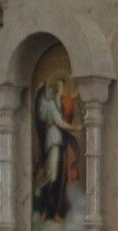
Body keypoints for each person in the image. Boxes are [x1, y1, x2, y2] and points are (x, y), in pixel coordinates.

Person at [33, 78, 82, 222]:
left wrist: (79, 91)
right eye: (56, 87)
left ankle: (55, 213)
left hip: (59, 143)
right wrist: (76, 128)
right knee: (53, 177)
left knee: (60, 178)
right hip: (54, 142)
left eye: (60, 87)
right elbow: (60, 122)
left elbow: (69, 98)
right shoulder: (49, 104)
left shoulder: (56, 102)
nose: (57, 90)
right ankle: (45, 210)